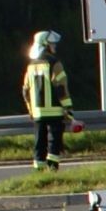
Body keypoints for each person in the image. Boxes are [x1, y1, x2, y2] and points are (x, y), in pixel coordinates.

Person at [24, 30, 73, 168]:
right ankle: (52, 168)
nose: (54, 46)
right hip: (55, 111)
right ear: (45, 45)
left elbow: (25, 90)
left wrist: (31, 110)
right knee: (54, 141)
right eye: (52, 44)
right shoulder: (55, 63)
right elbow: (61, 87)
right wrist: (68, 108)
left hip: (38, 112)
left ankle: (38, 169)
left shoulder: (31, 65)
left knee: (39, 141)